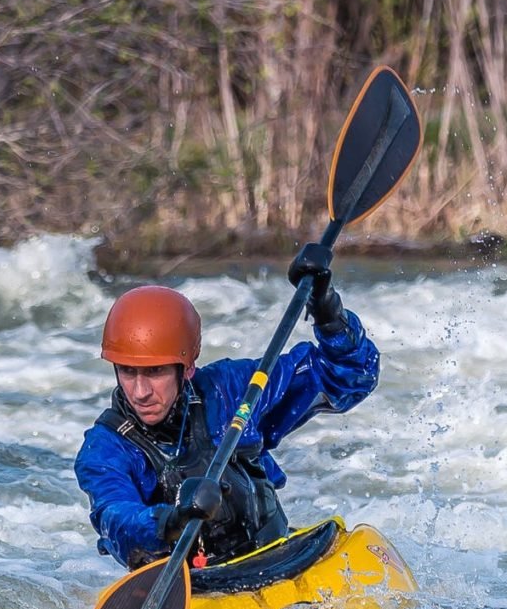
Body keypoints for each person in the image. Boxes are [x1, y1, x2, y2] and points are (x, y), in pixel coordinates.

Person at [73, 244, 379, 570]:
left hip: (277, 560)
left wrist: (328, 311)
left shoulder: (230, 390)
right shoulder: (105, 447)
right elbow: (114, 517)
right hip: (195, 588)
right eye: (127, 371)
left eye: (155, 372)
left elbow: (351, 377)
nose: (140, 391)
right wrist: (170, 521)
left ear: (187, 367)